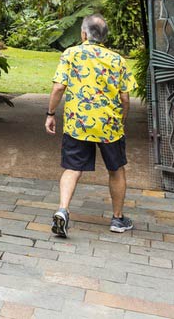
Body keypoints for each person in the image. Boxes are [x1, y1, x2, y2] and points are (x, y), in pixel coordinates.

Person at [46, 14, 136, 238]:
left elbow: (58, 88)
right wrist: (121, 120)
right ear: (104, 36)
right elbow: (125, 98)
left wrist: (50, 113)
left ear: (84, 34)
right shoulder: (118, 60)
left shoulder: (71, 54)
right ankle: (117, 219)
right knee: (116, 170)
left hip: (78, 123)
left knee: (72, 168)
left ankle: (63, 210)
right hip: (109, 125)